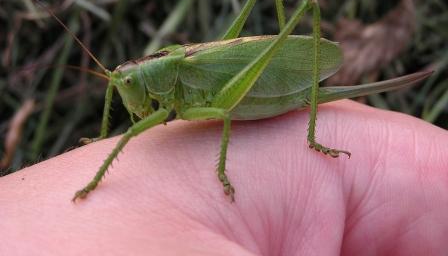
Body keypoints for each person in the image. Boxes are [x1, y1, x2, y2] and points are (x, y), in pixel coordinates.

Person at [1, 100, 447, 255]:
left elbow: (221, 115)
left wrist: (222, 172)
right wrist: (101, 140)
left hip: (237, 89)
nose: (124, 95)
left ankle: (312, 136)